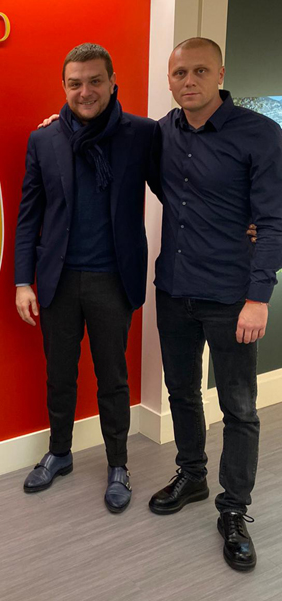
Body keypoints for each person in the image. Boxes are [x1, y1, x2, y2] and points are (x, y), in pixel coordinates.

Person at [148, 38, 282, 572]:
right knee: (181, 391)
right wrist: (60, 120)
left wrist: (258, 298)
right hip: (174, 289)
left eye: (200, 71)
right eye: (179, 72)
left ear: (220, 74)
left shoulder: (260, 134)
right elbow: (114, 139)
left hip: (232, 297)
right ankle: (193, 475)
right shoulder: (161, 133)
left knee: (239, 407)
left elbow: (273, 222)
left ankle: (234, 509)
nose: (188, 81)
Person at [14, 43, 158, 512]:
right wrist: (22, 281)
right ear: (64, 86)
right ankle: (60, 453)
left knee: (112, 378)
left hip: (112, 279)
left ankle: (118, 464)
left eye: (95, 81)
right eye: (75, 83)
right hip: (57, 280)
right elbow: (29, 215)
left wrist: (240, 219)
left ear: (113, 82)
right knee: (59, 375)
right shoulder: (45, 140)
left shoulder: (142, 134)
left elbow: (179, 188)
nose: (85, 91)